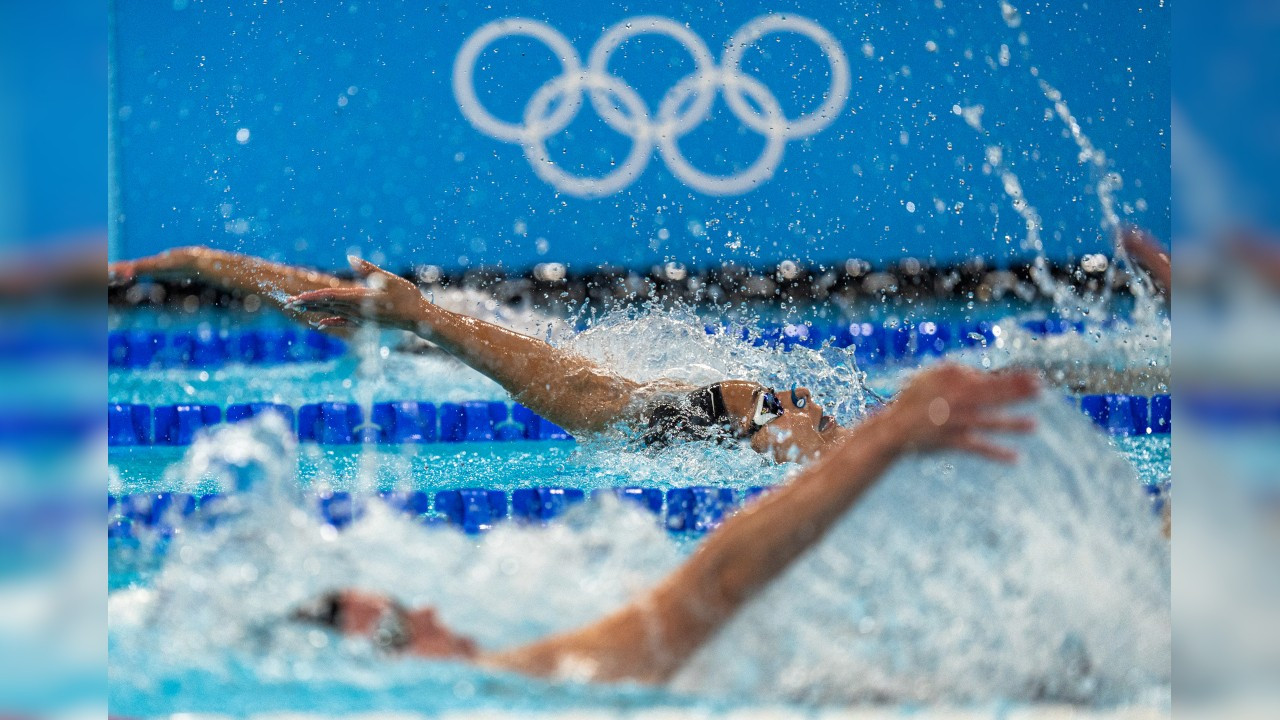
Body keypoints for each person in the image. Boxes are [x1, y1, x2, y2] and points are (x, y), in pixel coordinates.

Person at [289, 363, 1040, 684]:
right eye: (395, 631)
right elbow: (713, 584)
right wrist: (882, 439)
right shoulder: (514, 686)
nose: (425, 609)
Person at [111, 247, 1020, 464]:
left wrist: (186, 262)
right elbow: (592, 400)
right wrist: (185, 262)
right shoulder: (774, 425)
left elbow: (593, 400)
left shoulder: (785, 432)